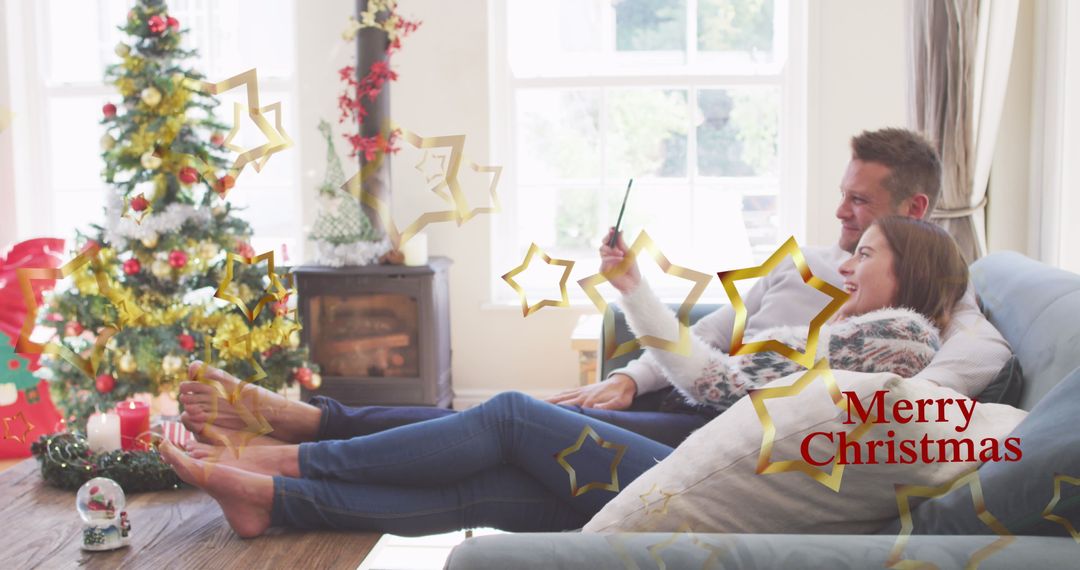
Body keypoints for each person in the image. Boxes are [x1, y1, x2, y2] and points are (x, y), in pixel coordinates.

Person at [179, 127, 1010, 448]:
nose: (839, 220)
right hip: (701, 394)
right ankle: (307, 438)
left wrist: (638, 294)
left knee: (513, 416)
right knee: (529, 411)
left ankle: (304, 435)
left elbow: (956, 371)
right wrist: (626, 373)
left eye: (860, 212)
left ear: (914, 214)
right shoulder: (836, 267)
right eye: (845, 204)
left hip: (728, 420)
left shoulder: (933, 307)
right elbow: (723, 327)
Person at [161, 216, 970, 538]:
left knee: (510, 416)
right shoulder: (866, 331)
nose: (847, 263)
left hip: (721, 477)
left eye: (867, 254)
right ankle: (285, 494)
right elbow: (730, 380)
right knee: (505, 480)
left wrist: (634, 293)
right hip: (710, 450)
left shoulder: (895, 335)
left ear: (913, 272)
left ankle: (292, 459)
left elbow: (725, 385)